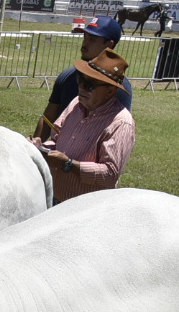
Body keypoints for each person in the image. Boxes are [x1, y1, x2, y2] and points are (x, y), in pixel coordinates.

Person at [32, 48, 136, 202]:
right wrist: (41, 148)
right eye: (81, 80)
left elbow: (110, 173)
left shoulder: (121, 123)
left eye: (90, 85)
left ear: (110, 91)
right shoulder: (76, 103)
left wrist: (69, 164)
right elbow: (57, 139)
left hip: (86, 209)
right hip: (54, 197)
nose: (82, 88)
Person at [33, 16, 132, 140]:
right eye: (85, 36)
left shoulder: (116, 87)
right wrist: (34, 148)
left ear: (109, 44)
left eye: (93, 38)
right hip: (60, 150)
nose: (85, 42)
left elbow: (117, 131)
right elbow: (48, 118)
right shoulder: (67, 76)